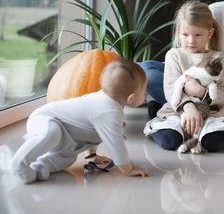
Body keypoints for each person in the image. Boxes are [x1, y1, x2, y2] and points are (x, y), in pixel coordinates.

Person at [10, 59, 152, 184]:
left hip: (67, 138)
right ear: (131, 98)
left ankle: (41, 167)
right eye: (144, 90)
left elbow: (94, 131)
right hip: (45, 119)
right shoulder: (108, 111)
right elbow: (116, 143)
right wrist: (128, 169)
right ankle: (19, 164)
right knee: (52, 133)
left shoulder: (110, 107)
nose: (145, 93)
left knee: (67, 159)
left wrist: (92, 155)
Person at [143, 0, 224, 152]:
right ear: (178, 32)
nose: (191, 41)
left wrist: (202, 93)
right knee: (170, 141)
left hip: (211, 114)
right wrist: (188, 107)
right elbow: (171, 89)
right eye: (185, 34)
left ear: (209, 33)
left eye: (198, 35)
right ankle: (160, 119)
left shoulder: (218, 58)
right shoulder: (174, 55)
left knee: (212, 143)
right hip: (178, 112)